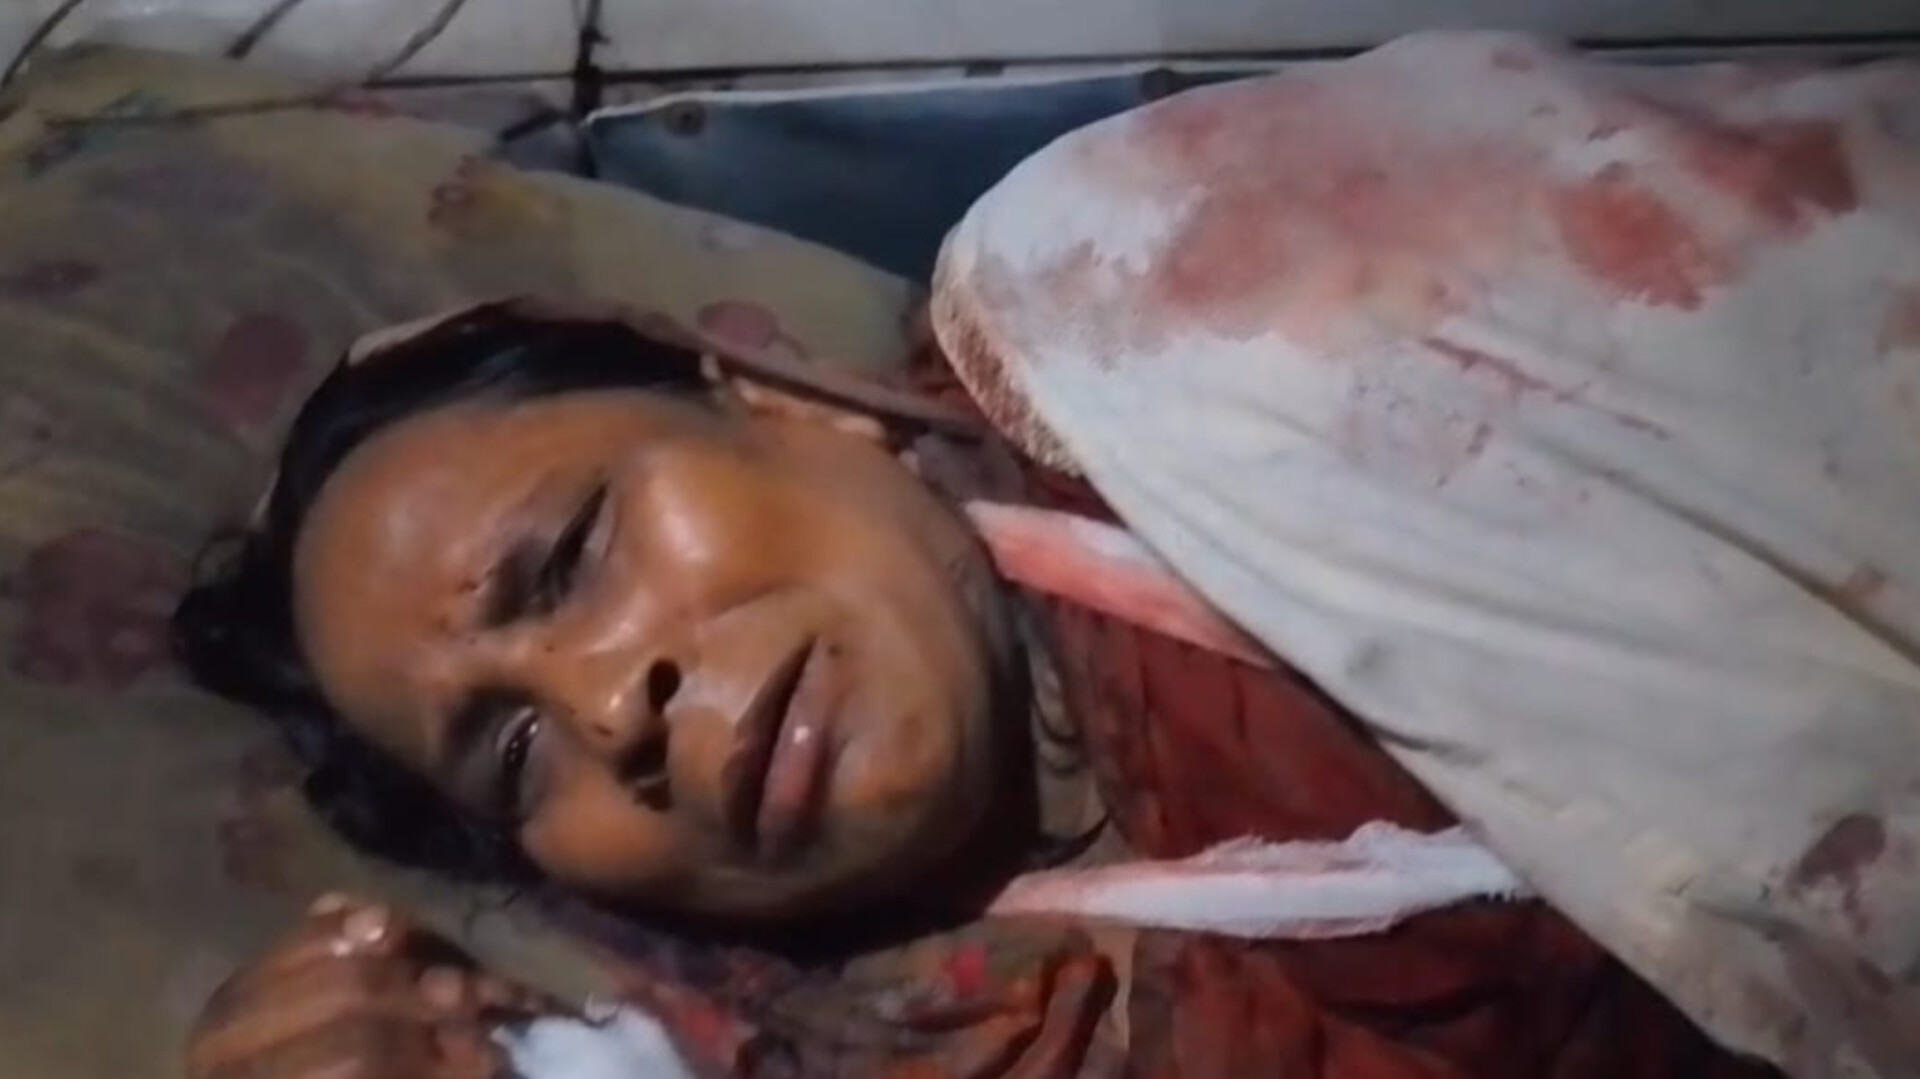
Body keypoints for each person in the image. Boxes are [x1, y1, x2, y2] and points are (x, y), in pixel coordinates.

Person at [172, 295, 1779, 1079]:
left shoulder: (1234, 342)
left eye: (574, 553)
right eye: (514, 756)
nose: (609, 711)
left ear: (794, 407)